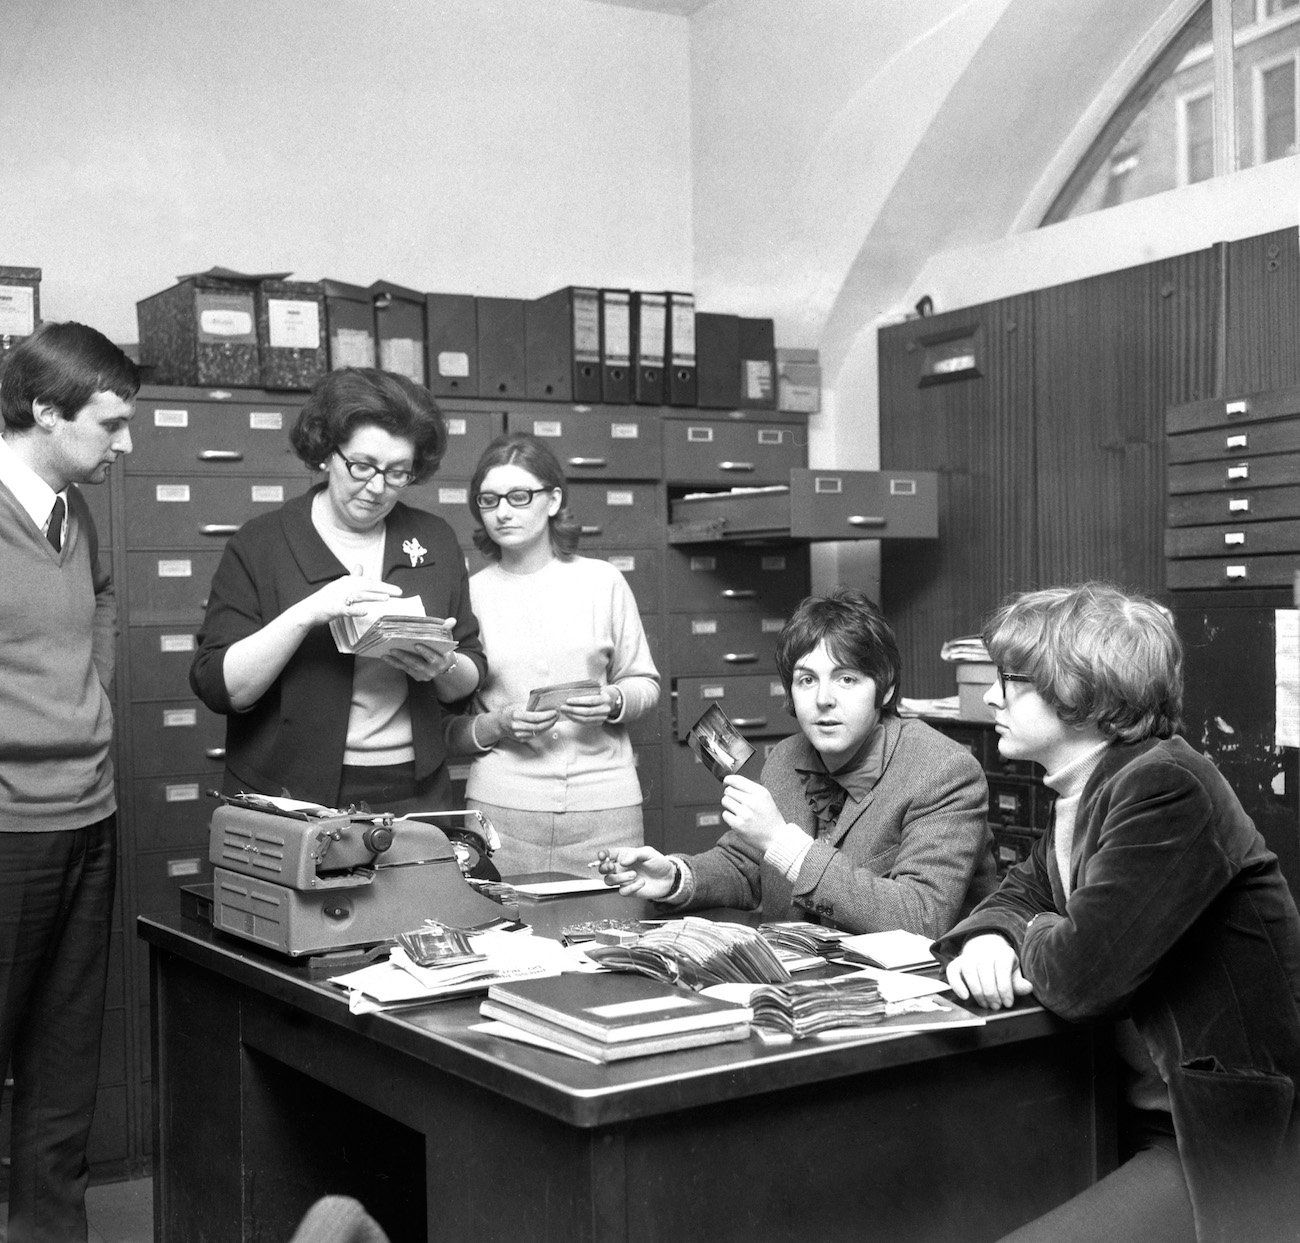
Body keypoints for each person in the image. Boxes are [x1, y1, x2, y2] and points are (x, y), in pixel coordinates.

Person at [935, 583, 1300, 1242]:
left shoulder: (1167, 785)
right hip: (1129, 1106)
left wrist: (1038, 932)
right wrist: (990, 937)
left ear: (1084, 694)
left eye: (1010, 681)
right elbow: (1024, 891)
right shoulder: (1087, 790)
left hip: (1224, 1138)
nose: (989, 696)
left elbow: (1083, 973)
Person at [598, 587, 996, 936]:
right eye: (807, 680)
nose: (823, 699)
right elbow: (747, 865)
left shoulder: (943, 772)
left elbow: (922, 917)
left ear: (886, 689)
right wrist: (676, 878)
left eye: (847, 679)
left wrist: (781, 841)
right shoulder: (788, 758)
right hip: (806, 985)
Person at [190, 368, 485, 812]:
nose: (377, 487)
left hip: (415, 790)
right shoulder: (261, 543)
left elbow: (470, 671)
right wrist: (307, 613)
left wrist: (443, 666)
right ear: (327, 452)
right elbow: (221, 688)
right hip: (291, 793)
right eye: (362, 466)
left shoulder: (435, 538)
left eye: (398, 472)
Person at [0, 321, 139, 1242]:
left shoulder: (72, 505)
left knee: (65, 1051)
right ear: (47, 412)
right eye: (112, 423)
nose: (126, 445)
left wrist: (86, 696)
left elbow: (101, 596)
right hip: (9, 828)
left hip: (91, 810)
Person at [446, 433, 659, 875]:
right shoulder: (469, 595)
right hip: (500, 813)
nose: (503, 512)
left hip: (606, 811)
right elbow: (446, 729)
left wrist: (614, 701)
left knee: (608, 939)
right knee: (503, 939)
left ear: (554, 499)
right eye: (488, 501)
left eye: (519, 496)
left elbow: (645, 684)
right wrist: (497, 724)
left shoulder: (602, 582)